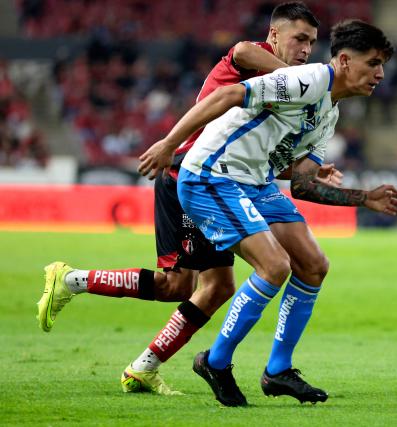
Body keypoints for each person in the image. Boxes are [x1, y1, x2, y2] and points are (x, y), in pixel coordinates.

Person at [36, 2, 340, 396]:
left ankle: (142, 364)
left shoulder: (281, 91)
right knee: (182, 285)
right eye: (299, 38)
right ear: (274, 35)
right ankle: (73, 281)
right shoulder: (255, 61)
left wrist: (302, 170)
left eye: (312, 43)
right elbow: (242, 50)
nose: (305, 49)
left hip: (219, 180)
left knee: (208, 287)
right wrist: (301, 77)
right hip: (189, 176)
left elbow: (251, 152)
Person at [138, 19, 397, 406]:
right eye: (373, 63)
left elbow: (301, 183)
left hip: (255, 181)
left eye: (382, 65)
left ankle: (278, 370)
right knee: (274, 266)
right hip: (211, 174)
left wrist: (363, 197)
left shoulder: (329, 111)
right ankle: (215, 361)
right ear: (345, 61)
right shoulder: (308, 80)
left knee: (313, 264)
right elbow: (229, 94)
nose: (380, 73)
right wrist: (169, 144)